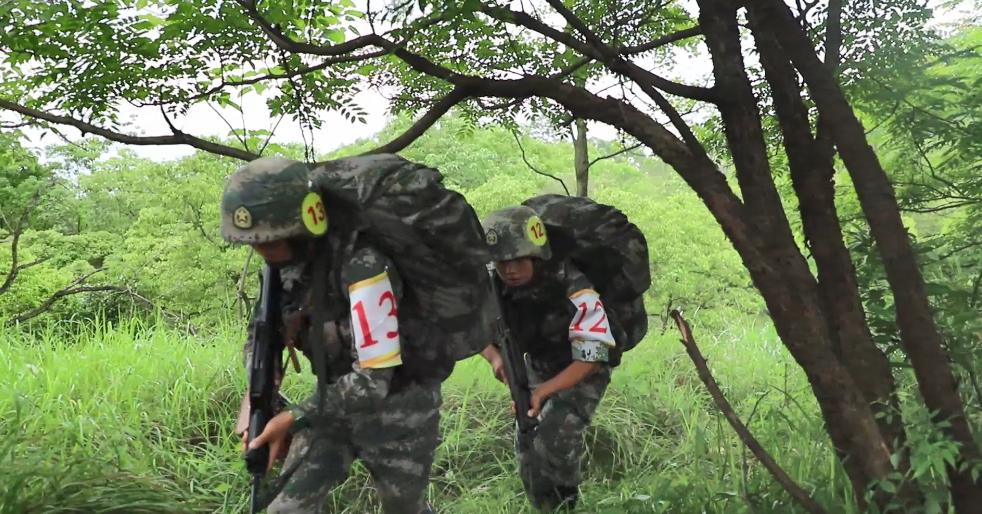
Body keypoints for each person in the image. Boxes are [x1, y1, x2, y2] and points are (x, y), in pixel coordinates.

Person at [221, 157, 438, 514]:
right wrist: (256, 397)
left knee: (404, 508)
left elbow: (372, 381)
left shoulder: (364, 266)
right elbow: (258, 337)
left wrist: (293, 417)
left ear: (304, 226)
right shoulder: (279, 270)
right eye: (255, 243)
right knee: (284, 508)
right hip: (333, 407)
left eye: (272, 241)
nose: (262, 251)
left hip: (400, 411)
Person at [480, 205, 623, 512]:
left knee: (556, 437)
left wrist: (543, 391)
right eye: (502, 262)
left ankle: (565, 505)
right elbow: (468, 329)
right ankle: (543, 506)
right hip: (536, 364)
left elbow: (592, 358)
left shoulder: (575, 287)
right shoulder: (493, 283)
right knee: (527, 443)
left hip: (582, 368)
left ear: (536, 255)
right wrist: (495, 358)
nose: (510, 270)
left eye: (518, 260)